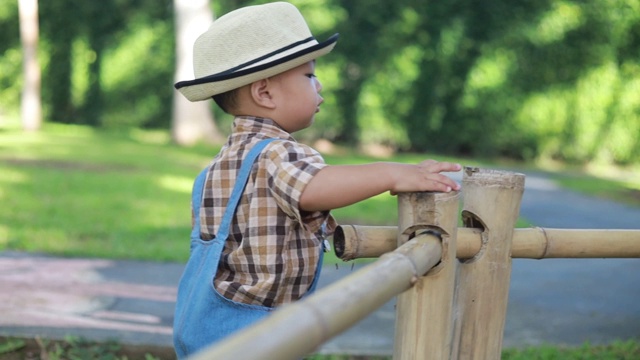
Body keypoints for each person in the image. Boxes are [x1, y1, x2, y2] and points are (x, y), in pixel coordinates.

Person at [171, 2, 462, 358]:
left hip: (203, 325)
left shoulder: (218, 166)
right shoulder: (278, 152)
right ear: (264, 93)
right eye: (309, 76)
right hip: (258, 332)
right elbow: (314, 187)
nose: (319, 85)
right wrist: (394, 173)